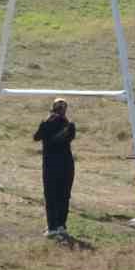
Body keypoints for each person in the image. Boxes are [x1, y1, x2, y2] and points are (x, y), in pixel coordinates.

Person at [34, 98, 77, 237]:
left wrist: (46, 121)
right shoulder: (70, 125)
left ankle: (52, 227)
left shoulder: (46, 123)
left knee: (51, 196)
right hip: (67, 165)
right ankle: (61, 226)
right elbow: (67, 137)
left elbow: (36, 137)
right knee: (64, 196)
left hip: (51, 165)